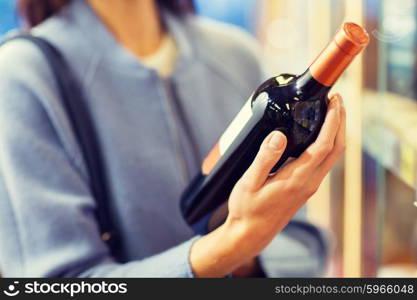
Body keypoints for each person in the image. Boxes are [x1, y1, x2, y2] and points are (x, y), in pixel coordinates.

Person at [0, 0, 345, 277]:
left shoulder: (236, 54)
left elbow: (305, 247)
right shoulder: (24, 75)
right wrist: (232, 245)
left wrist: (246, 254)